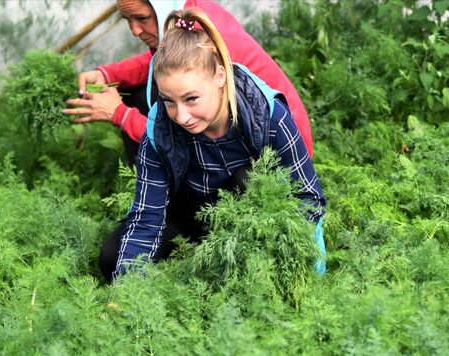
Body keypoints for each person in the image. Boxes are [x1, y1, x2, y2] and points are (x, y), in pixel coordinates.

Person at [98, 9, 327, 282]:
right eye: (169, 100)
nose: (181, 116)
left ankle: (223, 256)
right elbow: (147, 216)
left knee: (249, 178)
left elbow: (308, 198)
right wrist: (127, 288)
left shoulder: (267, 115)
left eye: (191, 99)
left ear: (220, 76)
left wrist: (309, 274)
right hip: (191, 207)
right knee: (112, 259)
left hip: (248, 215)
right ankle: (200, 253)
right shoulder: (160, 126)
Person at [63, 0, 314, 166]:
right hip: (236, 133)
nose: (135, 31)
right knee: (136, 93)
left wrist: (121, 115)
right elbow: (160, 59)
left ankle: (177, 204)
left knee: (139, 106)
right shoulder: (187, 11)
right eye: (127, 20)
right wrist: (109, 74)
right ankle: (154, 184)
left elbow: (197, 140)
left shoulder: (204, 38)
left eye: (141, 18)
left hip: (275, 156)